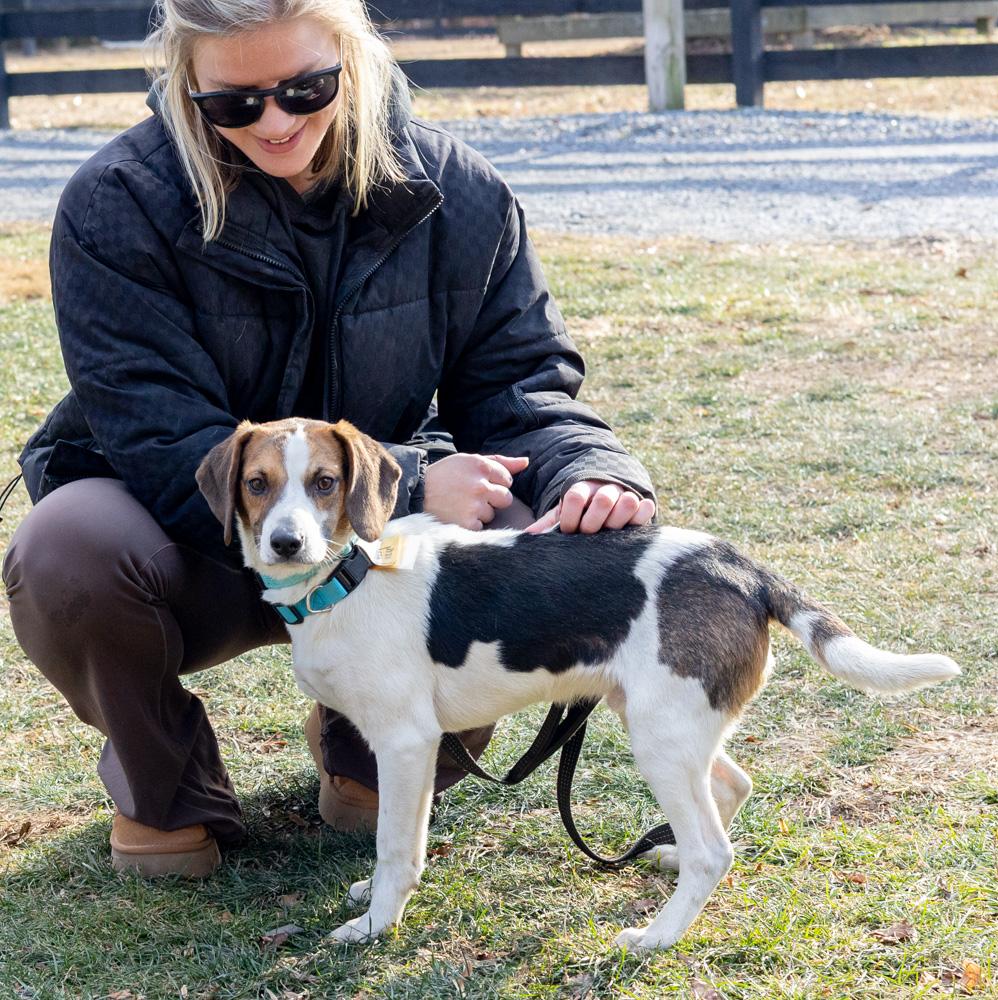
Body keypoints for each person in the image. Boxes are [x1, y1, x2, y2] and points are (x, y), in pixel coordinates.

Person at [1, 0, 656, 878]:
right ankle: (164, 785)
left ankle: (375, 747)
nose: (275, 122)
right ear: (183, 87)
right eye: (233, 105)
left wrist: (593, 472)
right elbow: (163, 441)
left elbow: (521, 385)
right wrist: (415, 486)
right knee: (65, 550)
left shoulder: (458, 191)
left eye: (307, 88)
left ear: (354, 58)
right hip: (191, 537)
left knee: (534, 510)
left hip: (377, 562)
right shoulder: (115, 203)